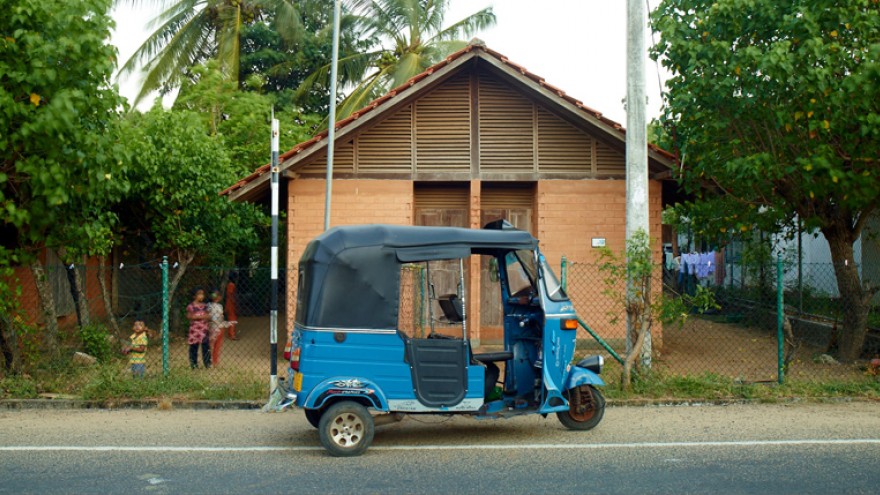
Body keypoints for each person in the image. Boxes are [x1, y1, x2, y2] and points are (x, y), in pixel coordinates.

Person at [207, 290, 236, 367]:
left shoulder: (215, 306)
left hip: (218, 326)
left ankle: (214, 361)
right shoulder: (211, 306)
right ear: (219, 297)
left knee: (216, 345)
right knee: (213, 345)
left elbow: (220, 317)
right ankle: (212, 361)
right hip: (215, 327)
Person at [186, 288, 211, 369]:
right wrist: (201, 316)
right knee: (194, 348)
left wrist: (198, 316)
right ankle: (194, 364)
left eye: (202, 294)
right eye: (199, 294)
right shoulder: (191, 306)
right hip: (194, 331)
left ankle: (207, 363)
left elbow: (208, 316)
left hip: (204, 330)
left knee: (206, 347)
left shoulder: (205, 306)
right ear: (194, 296)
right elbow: (190, 316)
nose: (202, 296)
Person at [225, 273, 239, 340]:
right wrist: (234, 301)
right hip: (231, 304)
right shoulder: (231, 285)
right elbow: (230, 294)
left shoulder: (230, 284)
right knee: (232, 319)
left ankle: (230, 333)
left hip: (230, 303)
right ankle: (232, 335)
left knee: (231, 318)